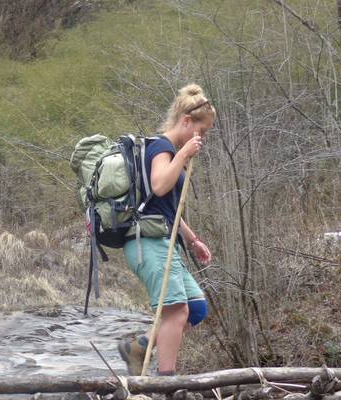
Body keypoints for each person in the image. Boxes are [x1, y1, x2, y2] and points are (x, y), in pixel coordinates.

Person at [118, 83, 215, 376]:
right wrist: (183, 154)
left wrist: (193, 240)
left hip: (162, 240)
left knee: (195, 308)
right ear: (186, 122)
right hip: (148, 243)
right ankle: (166, 382)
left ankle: (139, 346)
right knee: (177, 311)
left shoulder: (171, 151)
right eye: (202, 131)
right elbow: (160, 184)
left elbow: (164, 208)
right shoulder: (161, 147)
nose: (203, 138)